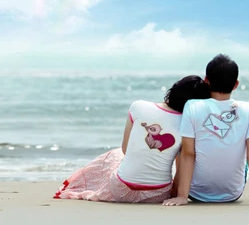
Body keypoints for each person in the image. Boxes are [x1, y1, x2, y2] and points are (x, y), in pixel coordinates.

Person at [54, 75, 210, 203]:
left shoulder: (139, 106)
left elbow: (125, 149)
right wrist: (179, 195)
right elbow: (183, 163)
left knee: (114, 155)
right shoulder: (187, 124)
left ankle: (76, 184)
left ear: (174, 89)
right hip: (157, 195)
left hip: (121, 190)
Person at [163, 54, 249, 207]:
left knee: (184, 147)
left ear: (206, 81)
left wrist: (182, 196)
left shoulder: (192, 106)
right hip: (232, 193)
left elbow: (188, 154)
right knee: (246, 150)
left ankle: (180, 190)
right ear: (236, 84)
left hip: (195, 193)